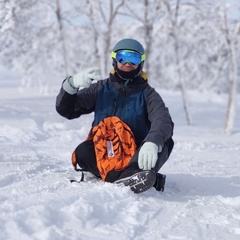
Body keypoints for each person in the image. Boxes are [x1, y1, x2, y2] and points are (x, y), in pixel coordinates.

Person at [56, 38, 174, 193]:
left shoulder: (148, 94)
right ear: (114, 60)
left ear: (141, 63)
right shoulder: (100, 89)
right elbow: (67, 110)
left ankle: (132, 173)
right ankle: (129, 178)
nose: (127, 63)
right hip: (107, 151)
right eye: (122, 57)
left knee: (164, 142)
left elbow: (163, 119)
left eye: (134, 58)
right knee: (83, 151)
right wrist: (70, 86)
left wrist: (152, 142)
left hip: (136, 153)